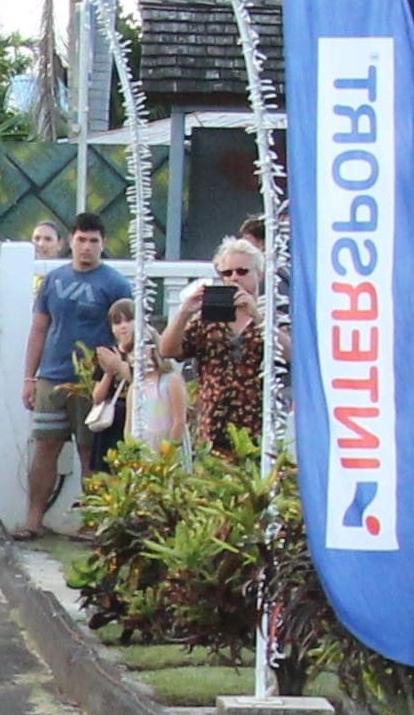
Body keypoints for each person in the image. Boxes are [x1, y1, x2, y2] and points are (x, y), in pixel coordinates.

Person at [18, 210, 131, 538]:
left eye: (93, 241)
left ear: (103, 243)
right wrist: (30, 377)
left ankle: (93, 521)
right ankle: (33, 519)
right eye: (81, 240)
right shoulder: (54, 280)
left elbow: (128, 331)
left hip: (92, 381)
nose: (86, 247)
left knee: (90, 451)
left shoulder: (116, 283)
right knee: (45, 446)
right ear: (71, 241)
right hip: (52, 377)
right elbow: (39, 328)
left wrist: (117, 369)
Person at [158, 235, 267, 457]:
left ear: (259, 274)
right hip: (212, 427)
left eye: (242, 271)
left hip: (259, 427)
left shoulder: (273, 315)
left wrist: (257, 317)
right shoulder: (207, 319)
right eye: (227, 273)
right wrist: (184, 313)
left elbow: (291, 354)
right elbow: (167, 350)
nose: (234, 278)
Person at [84, 296, 137, 475]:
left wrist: (120, 366)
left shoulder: (145, 352)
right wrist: (108, 372)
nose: (123, 326)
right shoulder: (109, 353)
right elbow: (97, 397)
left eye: (128, 320)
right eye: (117, 322)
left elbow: (143, 383)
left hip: (135, 416)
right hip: (112, 419)